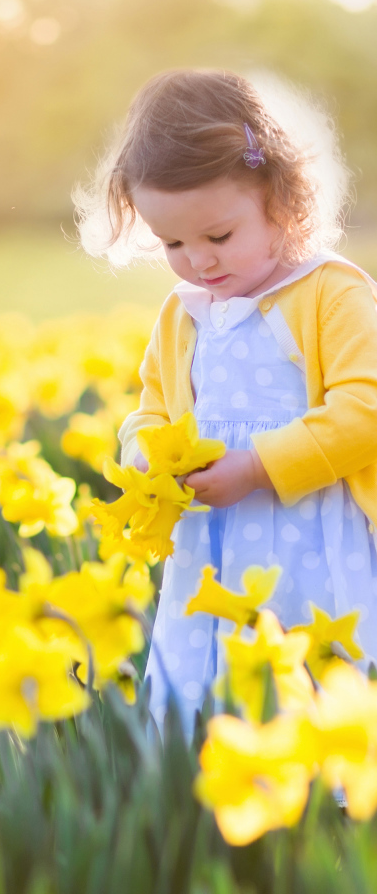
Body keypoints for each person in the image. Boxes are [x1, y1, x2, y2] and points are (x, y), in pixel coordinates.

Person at [74, 68, 377, 740]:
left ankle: (324, 789)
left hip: (311, 534)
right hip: (209, 544)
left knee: (309, 679)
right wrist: (145, 458)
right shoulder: (185, 312)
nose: (199, 262)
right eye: (173, 243)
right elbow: (152, 409)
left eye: (218, 237)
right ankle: (207, 778)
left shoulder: (331, 293)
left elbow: (367, 409)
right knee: (209, 685)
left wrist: (260, 467)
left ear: (283, 202)